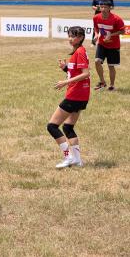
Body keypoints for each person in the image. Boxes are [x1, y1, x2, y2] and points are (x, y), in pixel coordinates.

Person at [47, 26, 90, 169]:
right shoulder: (77, 52)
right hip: (81, 96)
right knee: (68, 127)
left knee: (52, 126)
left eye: (74, 36)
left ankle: (68, 157)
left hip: (75, 95)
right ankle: (77, 160)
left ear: (81, 37)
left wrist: (65, 82)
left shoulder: (80, 52)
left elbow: (85, 74)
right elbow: (75, 72)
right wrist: (65, 68)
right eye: (69, 36)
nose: (71, 39)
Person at [93, 0, 125, 91]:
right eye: (101, 7)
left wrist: (111, 34)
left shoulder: (117, 19)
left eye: (105, 7)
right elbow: (96, 28)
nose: (103, 9)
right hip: (102, 44)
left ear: (110, 8)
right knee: (97, 61)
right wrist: (96, 35)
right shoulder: (96, 17)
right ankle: (102, 82)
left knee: (111, 66)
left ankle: (112, 85)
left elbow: (123, 31)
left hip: (114, 46)